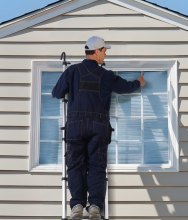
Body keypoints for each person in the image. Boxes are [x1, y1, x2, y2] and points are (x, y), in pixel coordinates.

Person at [52, 36, 145, 220]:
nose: (105, 54)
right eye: (104, 50)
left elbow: (57, 93)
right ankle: (94, 206)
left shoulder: (72, 72)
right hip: (98, 127)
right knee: (96, 166)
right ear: (95, 52)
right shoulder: (106, 75)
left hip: (75, 127)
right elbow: (125, 87)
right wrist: (139, 82)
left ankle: (77, 206)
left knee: (75, 165)